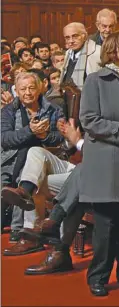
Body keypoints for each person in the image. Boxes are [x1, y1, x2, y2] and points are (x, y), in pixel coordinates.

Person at [79, 31, 119, 297]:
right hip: (106, 162)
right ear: (112, 51)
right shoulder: (96, 80)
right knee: (106, 225)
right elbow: (89, 120)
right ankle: (99, 276)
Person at [1, 72, 64, 241]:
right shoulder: (8, 110)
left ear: (40, 88)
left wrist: (44, 136)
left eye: (31, 88)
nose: (27, 92)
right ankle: (17, 225)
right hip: (9, 157)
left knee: (27, 166)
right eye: (23, 89)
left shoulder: (54, 109)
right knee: (20, 165)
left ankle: (19, 228)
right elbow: (5, 139)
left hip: (45, 158)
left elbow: (62, 138)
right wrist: (29, 131)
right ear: (16, 91)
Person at [60, 22, 101, 89]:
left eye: (75, 36)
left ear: (84, 36)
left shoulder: (98, 51)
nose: (71, 41)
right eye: (67, 38)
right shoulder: (68, 53)